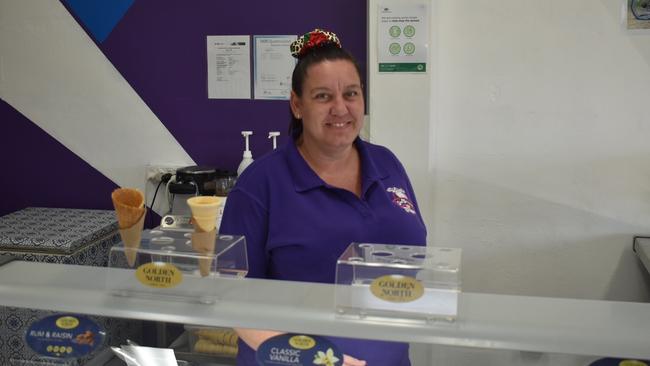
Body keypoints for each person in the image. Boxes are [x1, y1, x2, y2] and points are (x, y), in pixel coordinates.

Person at [220, 28, 427, 366]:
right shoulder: (259, 185)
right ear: (297, 105)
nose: (340, 108)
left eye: (351, 93)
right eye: (322, 96)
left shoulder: (387, 163)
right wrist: (325, 360)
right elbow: (231, 298)